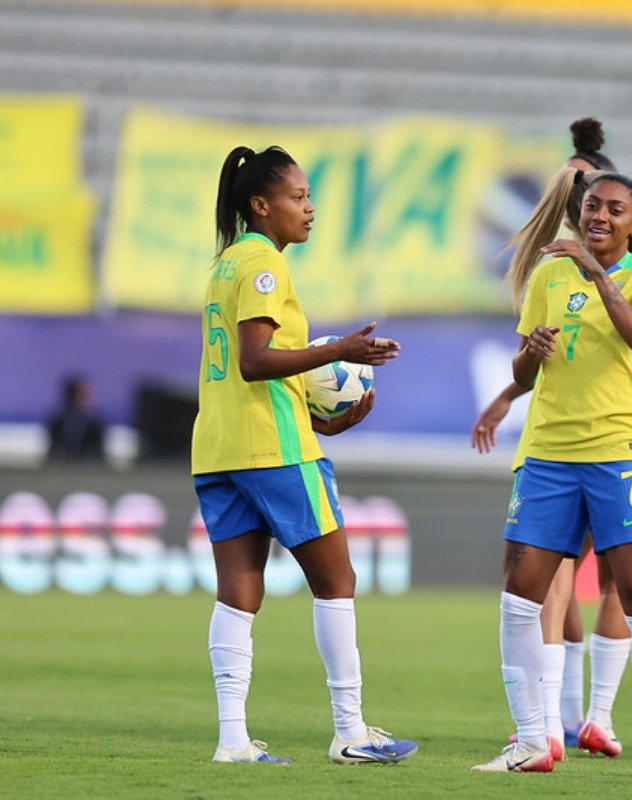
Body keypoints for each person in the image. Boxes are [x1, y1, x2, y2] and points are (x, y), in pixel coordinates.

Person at [472, 120, 632, 760]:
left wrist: (600, 279)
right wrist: (526, 364)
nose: (596, 213)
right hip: (550, 451)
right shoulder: (549, 275)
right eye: (589, 203)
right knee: (534, 587)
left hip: (625, 448)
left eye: (611, 206)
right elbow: (526, 365)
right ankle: (546, 729)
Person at [192, 145, 416, 765]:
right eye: (298, 197)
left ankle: (232, 740)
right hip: (275, 449)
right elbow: (255, 361)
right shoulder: (265, 264)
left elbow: (244, 377)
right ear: (261, 205)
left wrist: (325, 420)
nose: (309, 208)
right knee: (337, 580)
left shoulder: (225, 263)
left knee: (239, 591)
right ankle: (350, 731)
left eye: (309, 195)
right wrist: (339, 350)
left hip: (220, 447)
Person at [45, 375, 106, 462]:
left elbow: (98, 454)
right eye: (84, 396)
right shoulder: (58, 423)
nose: (88, 399)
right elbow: (53, 453)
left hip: (88, 467)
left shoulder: (95, 424)